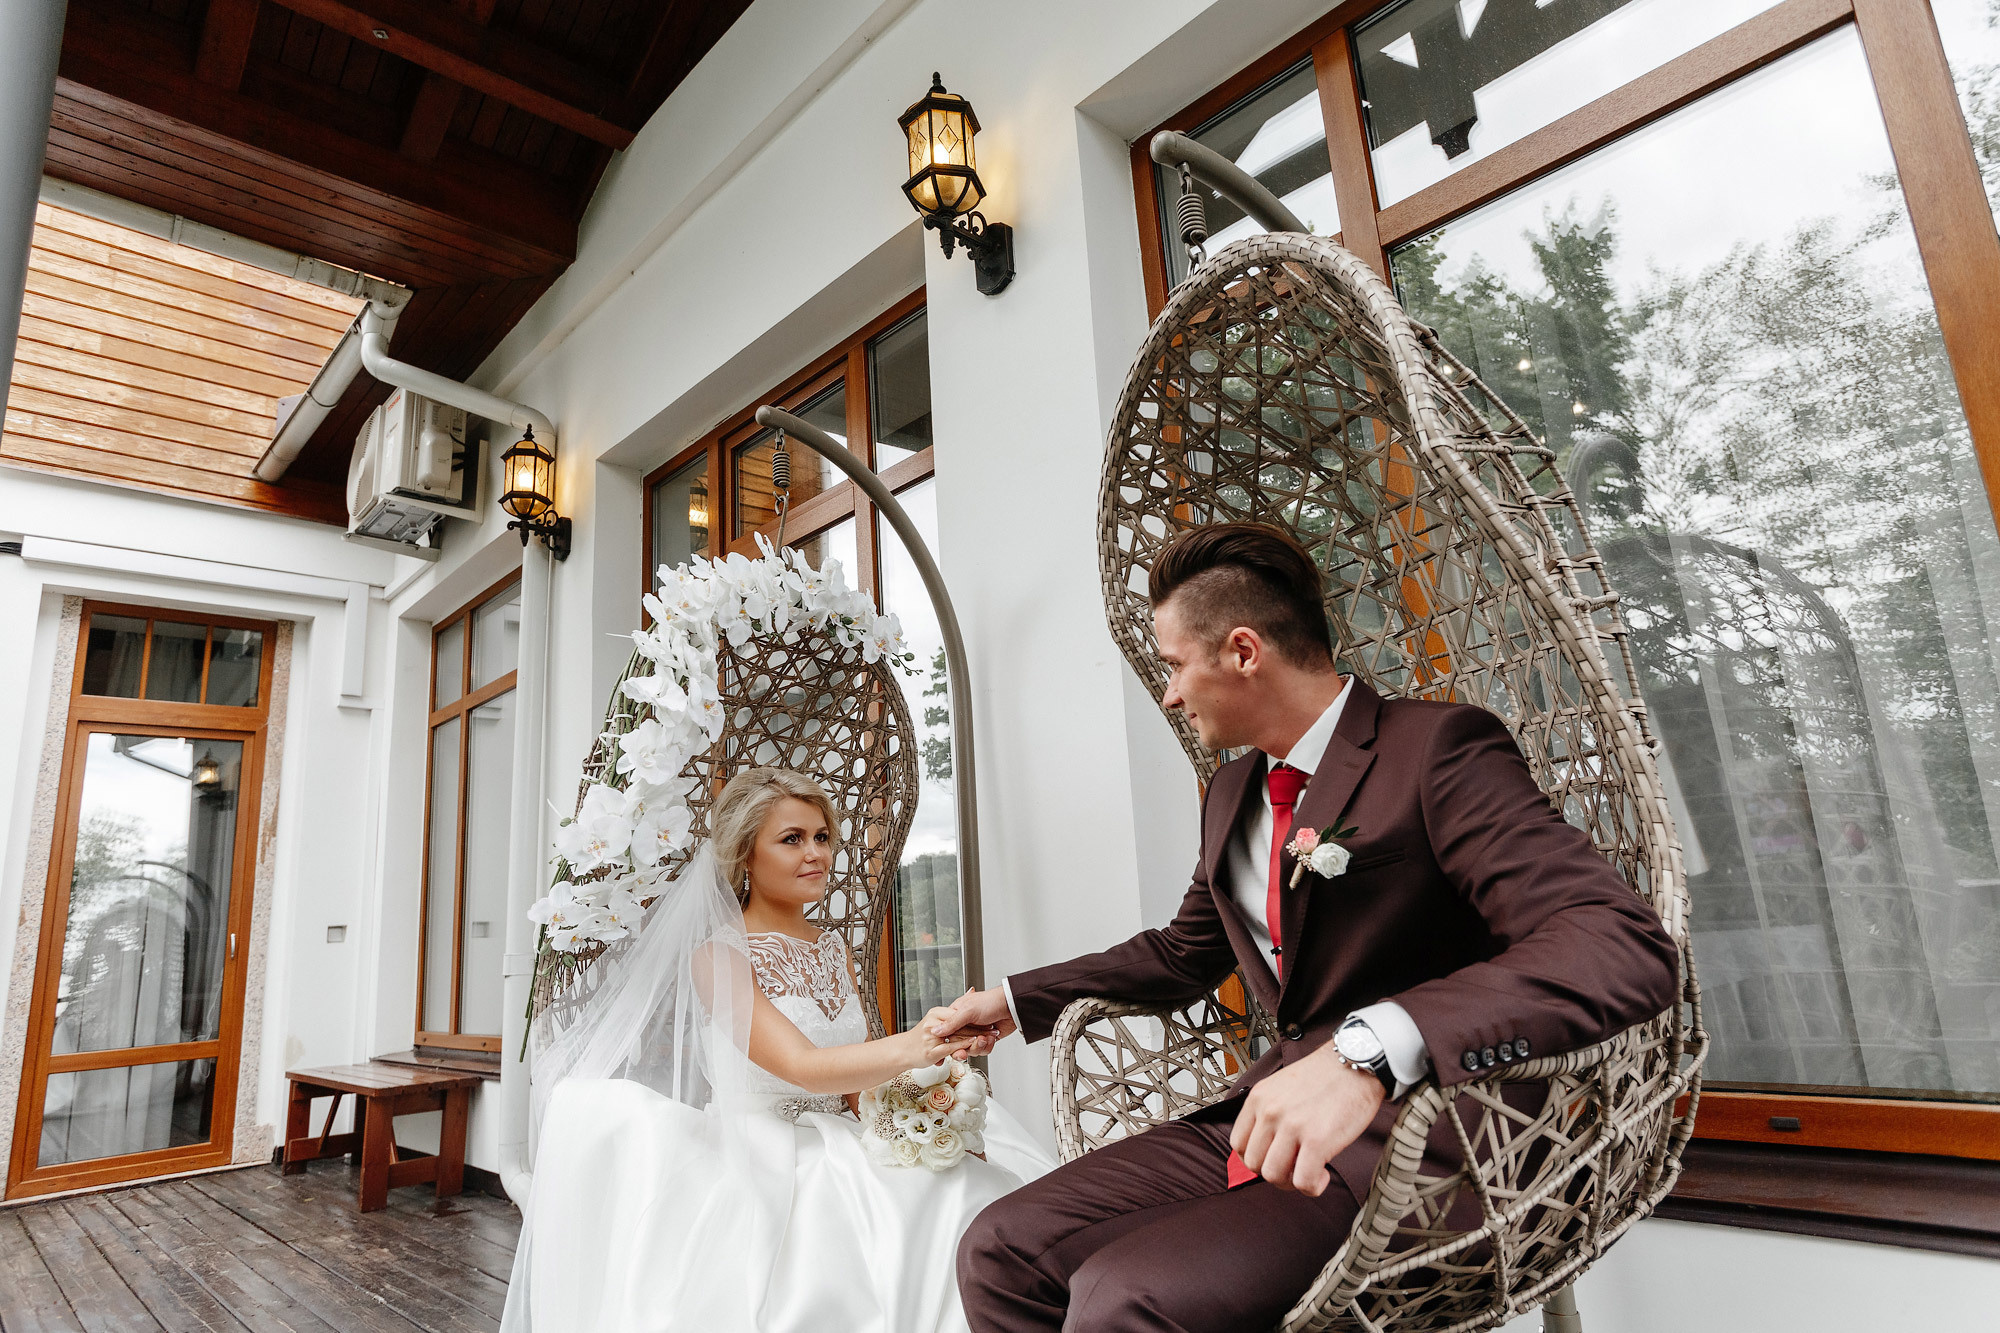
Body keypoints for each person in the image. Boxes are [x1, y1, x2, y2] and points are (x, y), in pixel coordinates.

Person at [940, 522, 1681, 1333]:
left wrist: (1369, 1050)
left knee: (1121, 1297)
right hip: (1261, 1120)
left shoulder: (1436, 749)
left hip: (1422, 1149)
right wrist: (1017, 1002)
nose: (1170, 695)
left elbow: (1617, 939)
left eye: (1173, 665)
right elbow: (1186, 950)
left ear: (1244, 651)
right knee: (998, 1248)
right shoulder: (1230, 795)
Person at [502, 767, 1052, 1332]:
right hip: (768, 1152)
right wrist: (921, 1043)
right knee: (924, 1215)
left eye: (821, 837)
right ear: (745, 855)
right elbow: (803, 1068)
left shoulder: (830, 946)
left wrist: (924, 1114)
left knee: (972, 1185)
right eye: (792, 839)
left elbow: (859, 1078)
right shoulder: (718, 957)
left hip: (843, 1134)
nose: (814, 853)